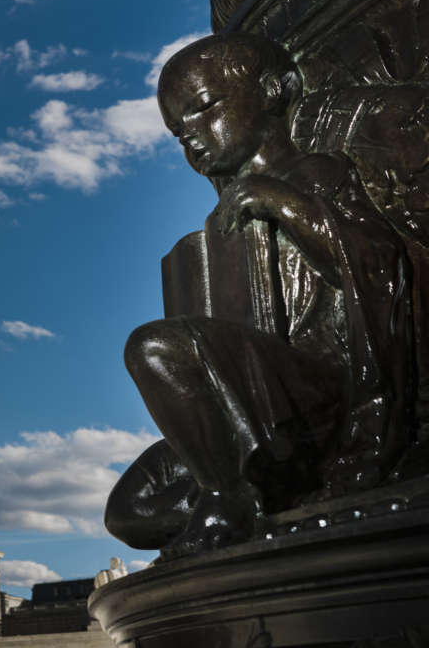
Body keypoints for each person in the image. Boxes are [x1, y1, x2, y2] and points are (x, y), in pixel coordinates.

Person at [107, 32, 413, 557]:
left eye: (204, 109)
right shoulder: (218, 223)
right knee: (129, 512)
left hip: (317, 389)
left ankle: (228, 499)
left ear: (271, 92)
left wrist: (285, 205)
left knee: (152, 347)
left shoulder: (320, 174)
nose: (193, 139)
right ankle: (246, 483)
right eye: (179, 133)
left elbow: (382, 266)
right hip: (249, 395)